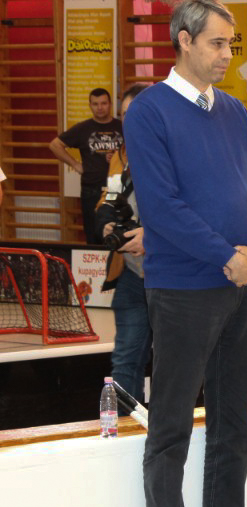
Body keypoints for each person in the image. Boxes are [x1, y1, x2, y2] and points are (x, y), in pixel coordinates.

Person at [123, 0, 247, 507]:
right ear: (183, 41)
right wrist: (226, 255)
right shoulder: (150, 112)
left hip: (242, 285)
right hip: (185, 289)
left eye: (231, 44)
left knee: (234, 423)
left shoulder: (234, 110)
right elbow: (162, 207)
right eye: (217, 43)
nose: (226, 54)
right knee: (171, 428)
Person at [96, 84, 150, 407]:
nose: (129, 120)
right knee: (125, 359)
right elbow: (110, 196)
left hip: (171, 276)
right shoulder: (121, 156)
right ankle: (124, 426)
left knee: (173, 363)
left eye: (135, 112)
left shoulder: (177, 151)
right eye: (125, 114)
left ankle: (163, 429)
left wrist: (151, 237)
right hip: (130, 274)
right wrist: (105, 221)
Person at [49, 87, 124, 243]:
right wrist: (75, 164)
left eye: (103, 103)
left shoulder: (121, 127)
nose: (100, 107)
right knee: (93, 236)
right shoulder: (83, 128)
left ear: (110, 104)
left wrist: (118, 158)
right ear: (90, 106)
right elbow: (55, 145)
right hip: (92, 190)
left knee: (118, 234)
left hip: (118, 188)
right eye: (95, 104)